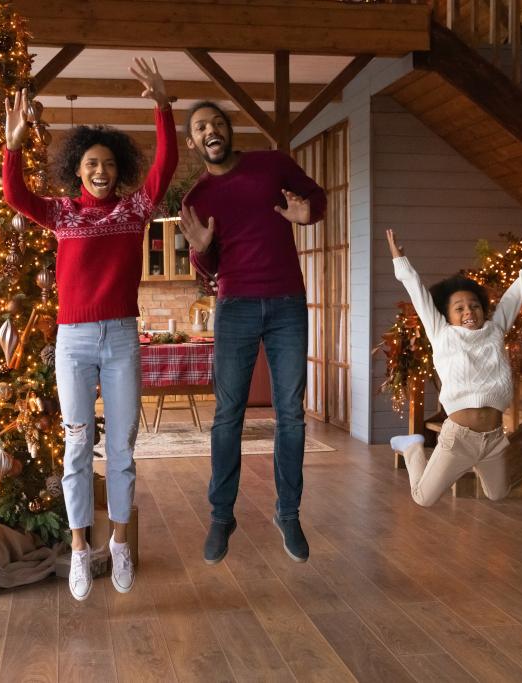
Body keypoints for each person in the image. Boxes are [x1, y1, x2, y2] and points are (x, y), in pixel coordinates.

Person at [2, 58, 176, 600]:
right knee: (76, 447)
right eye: (90, 164)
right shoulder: (61, 215)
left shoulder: (134, 211)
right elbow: (15, 197)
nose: (100, 171)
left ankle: (118, 541)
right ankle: (80, 548)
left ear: (116, 170)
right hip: (73, 341)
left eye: (107, 165)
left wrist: (163, 107)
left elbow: (166, 165)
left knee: (123, 448)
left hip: (122, 337)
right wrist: (11, 148)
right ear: (77, 170)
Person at [177, 101, 326, 565]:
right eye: (201, 127)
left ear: (229, 130)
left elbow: (314, 197)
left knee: (291, 415)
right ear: (193, 142)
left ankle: (289, 513)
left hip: (286, 304)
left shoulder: (270, 163)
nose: (211, 130)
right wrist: (201, 252)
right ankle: (222, 516)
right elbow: (210, 268)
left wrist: (308, 215)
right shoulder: (195, 199)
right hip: (235, 305)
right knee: (228, 416)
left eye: (217, 122)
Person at [385, 228, 522, 506]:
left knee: (498, 494)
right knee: (423, 498)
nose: (469, 312)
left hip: (493, 439)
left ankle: (478, 464)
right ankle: (412, 447)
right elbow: (417, 291)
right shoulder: (442, 334)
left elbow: (514, 297)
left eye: (474, 306)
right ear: (447, 316)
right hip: (457, 439)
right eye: (459, 308)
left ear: (484, 310)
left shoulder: (495, 331)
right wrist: (400, 260)